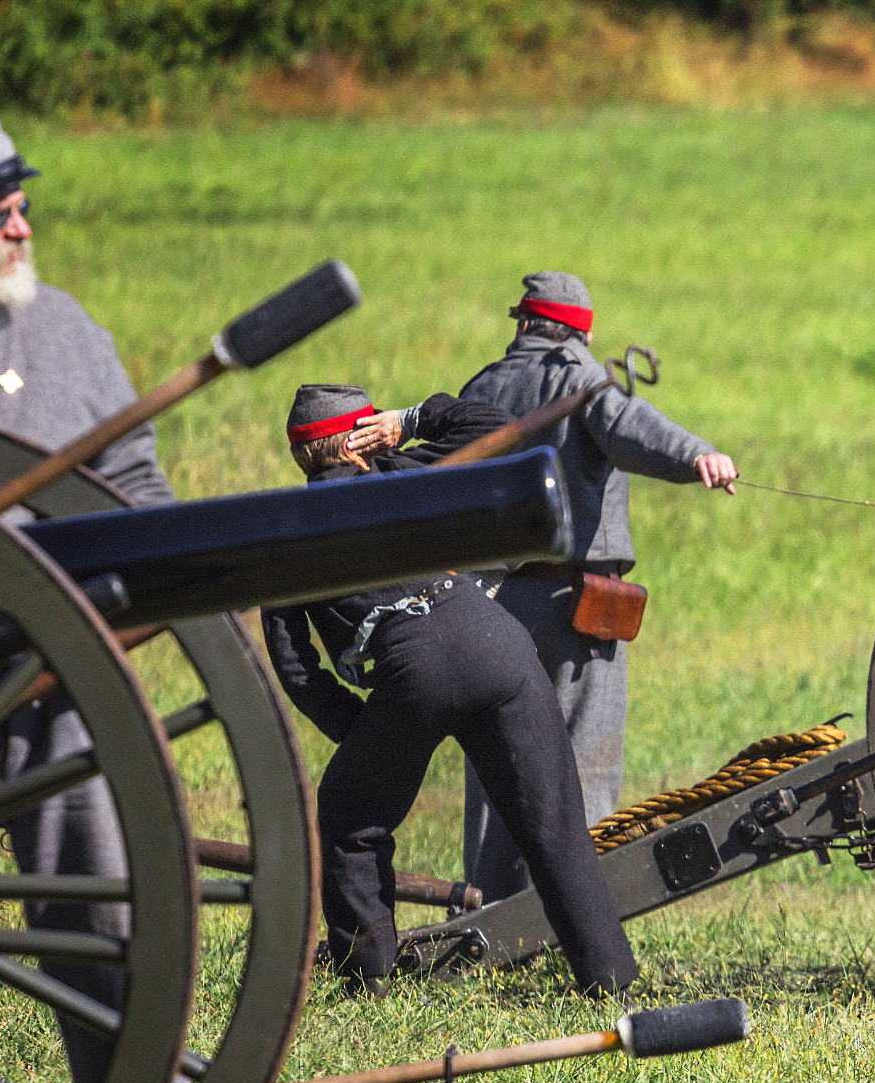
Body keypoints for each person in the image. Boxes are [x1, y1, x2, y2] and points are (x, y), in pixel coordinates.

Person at [0, 105, 219, 1083]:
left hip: (64, 699)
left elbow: (136, 485)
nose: (18, 221)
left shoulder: (63, 330)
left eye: (20, 198)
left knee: (123, 958)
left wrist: (142, 595)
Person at [260, 384, 640, 998]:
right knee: (557, 826)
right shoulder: (404, 469)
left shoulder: (287, 530)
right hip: (500, 642)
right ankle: (611, 982)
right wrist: (408, 421)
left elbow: (290, 656)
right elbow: (494, 424)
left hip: (415, 669)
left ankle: (369, 978)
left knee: (350, 817)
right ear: (363, 440)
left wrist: (353, 723)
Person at [456, 271, 738, 900]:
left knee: (497, 762)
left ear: (525, 323)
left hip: (486, 607)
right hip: (571, 609)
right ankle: (570, 915)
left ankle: (485, 911)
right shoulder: (581, 378)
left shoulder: (482, 385)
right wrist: (698, 457)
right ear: (579, 331)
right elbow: (633, 428)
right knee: (582, 764)